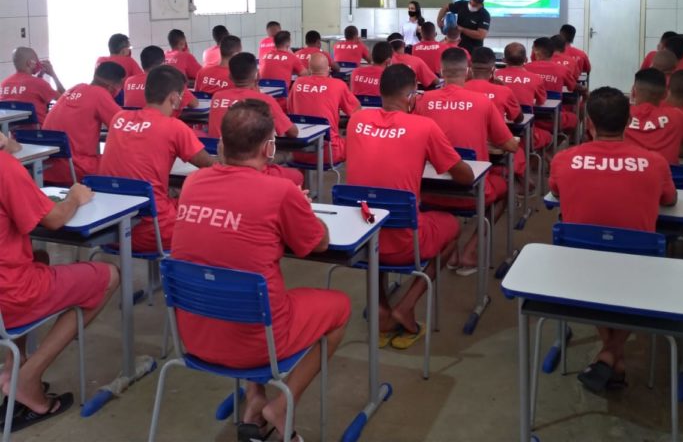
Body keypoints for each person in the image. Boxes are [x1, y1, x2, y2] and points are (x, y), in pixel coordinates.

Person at [171, 101, 350, 442]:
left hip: (194, 334)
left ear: (220, 145)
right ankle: (281, 405)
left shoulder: (193, 183)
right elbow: (319, 243)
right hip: (257, 341)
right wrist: (303, 207)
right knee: (338, 307)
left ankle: (255, 398)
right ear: (270, 147)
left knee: (244, 289)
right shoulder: (281, 191)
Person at [549, 86, 677, 394]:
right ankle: (612, 354)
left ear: (589, 123)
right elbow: (670, 199)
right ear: (628, 121)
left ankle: (608, 353)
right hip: (638, 268)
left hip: (576, 267)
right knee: (625, 271)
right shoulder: (654, 162)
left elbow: (555, 193)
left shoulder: (564, 159)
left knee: (595, 264)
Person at [346, 65, 473, 346]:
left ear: (379, 93)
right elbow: (463, 176)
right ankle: (406, 306)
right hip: (405, 243)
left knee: (376, 221)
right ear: (413, 96)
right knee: (450, 229)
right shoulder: (424, 126)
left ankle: (380, 307)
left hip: (359, 236)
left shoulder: (356, 120)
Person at [0, 132, 120, 429]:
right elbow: (53, 220)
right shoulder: (5, 168)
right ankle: (28, 379)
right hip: (12, 293)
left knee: (39, 255)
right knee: (109, 275)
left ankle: (13, 365)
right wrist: (74, 198)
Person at [414, 48, 519, 274]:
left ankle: (448, 246)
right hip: (471, 191)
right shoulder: (481, 102)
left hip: (428, 192)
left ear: (441, 71)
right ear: (468, 71)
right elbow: (510, 145)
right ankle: (470, 251)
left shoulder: (422, 101)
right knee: (507, 188)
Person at [99, 65, 215, 252]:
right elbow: (210, 166)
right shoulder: (174, 127)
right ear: (174, 98)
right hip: (155, 231)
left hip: (109, 227)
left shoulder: (118, 119)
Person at [42, 61, 126, 184]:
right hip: (76, 168)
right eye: (121, 86)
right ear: (111, 86)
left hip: (48, 167)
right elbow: (127, 126)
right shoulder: (99, 94)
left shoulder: (75, 88)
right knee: (127, 165)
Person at [288, 53, 360, 164]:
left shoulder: (297, 83)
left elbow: (291, 111)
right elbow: (357, 112)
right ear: (328, 68)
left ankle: (302, 180)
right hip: (329, 153)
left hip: (298, 150)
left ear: (309, 69)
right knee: (357, 143)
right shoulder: (338, 85)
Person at [208, 52, 298, 141]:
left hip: (215, 152)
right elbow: (293, 133)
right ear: (257, 75)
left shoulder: (217, 97)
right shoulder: (265, 100)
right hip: (243, 154)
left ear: (230, 76)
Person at [624, 68, 683, 164]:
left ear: (633, 91)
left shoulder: (619, 115)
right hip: (666, 176)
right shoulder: (677, 116)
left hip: (627, 173)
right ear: (665, 94)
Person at [495, 43, 552, 152]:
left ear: (503, 60)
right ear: (525, 59)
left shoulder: (494, 76)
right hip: (523, 129)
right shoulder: (535, 78)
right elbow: (541, 101)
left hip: (497, 129)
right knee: (548, 136)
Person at [123, 45, 198, 115]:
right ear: (163, 63)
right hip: (161, 126)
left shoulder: (129, 81)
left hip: (133, 125)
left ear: (142, 64)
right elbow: (194, 104)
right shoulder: (168, 80)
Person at [526, 37, 578, 134]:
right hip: (554, 119)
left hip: (528, 119)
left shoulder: (525, 69)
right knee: (574, 118)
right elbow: (573, 87)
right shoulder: (562, 70)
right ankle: (558, 142)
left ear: (537, 52)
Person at [0, 47, 64, 125]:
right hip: (39, 134)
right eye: (37, 60)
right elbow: (65, 99)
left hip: (13, 134)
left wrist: (40, 77)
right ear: (30, 63)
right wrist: (53, 74)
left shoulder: (3, 84)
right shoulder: (39, 84)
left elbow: (28, 93)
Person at [465, 47, 523, 124]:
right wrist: (504, 87)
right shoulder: (504, 91)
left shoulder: (458, 88)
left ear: (470, 66)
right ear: (493, 68)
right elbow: (518, 119)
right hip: (496, 135)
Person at [258, 30, 307, 107]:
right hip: (282, 103)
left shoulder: (264, 56)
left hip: (263, 101)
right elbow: (305, 75)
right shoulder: (291, 57)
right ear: (288, 43)